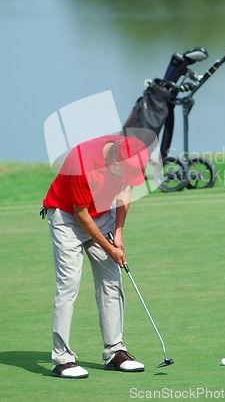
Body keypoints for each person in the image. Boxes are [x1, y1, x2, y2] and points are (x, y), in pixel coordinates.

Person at [41, 134, 149, 379]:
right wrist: (110, 248)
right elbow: (81, 215)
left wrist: (119, 231)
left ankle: (115, 352)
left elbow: (124, 190)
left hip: (101, 213)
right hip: (67, 217)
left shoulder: (128, 149)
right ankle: (62, 359)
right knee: (68, 285)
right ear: (114, 163)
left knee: (112, 282)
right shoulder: (81, 164)